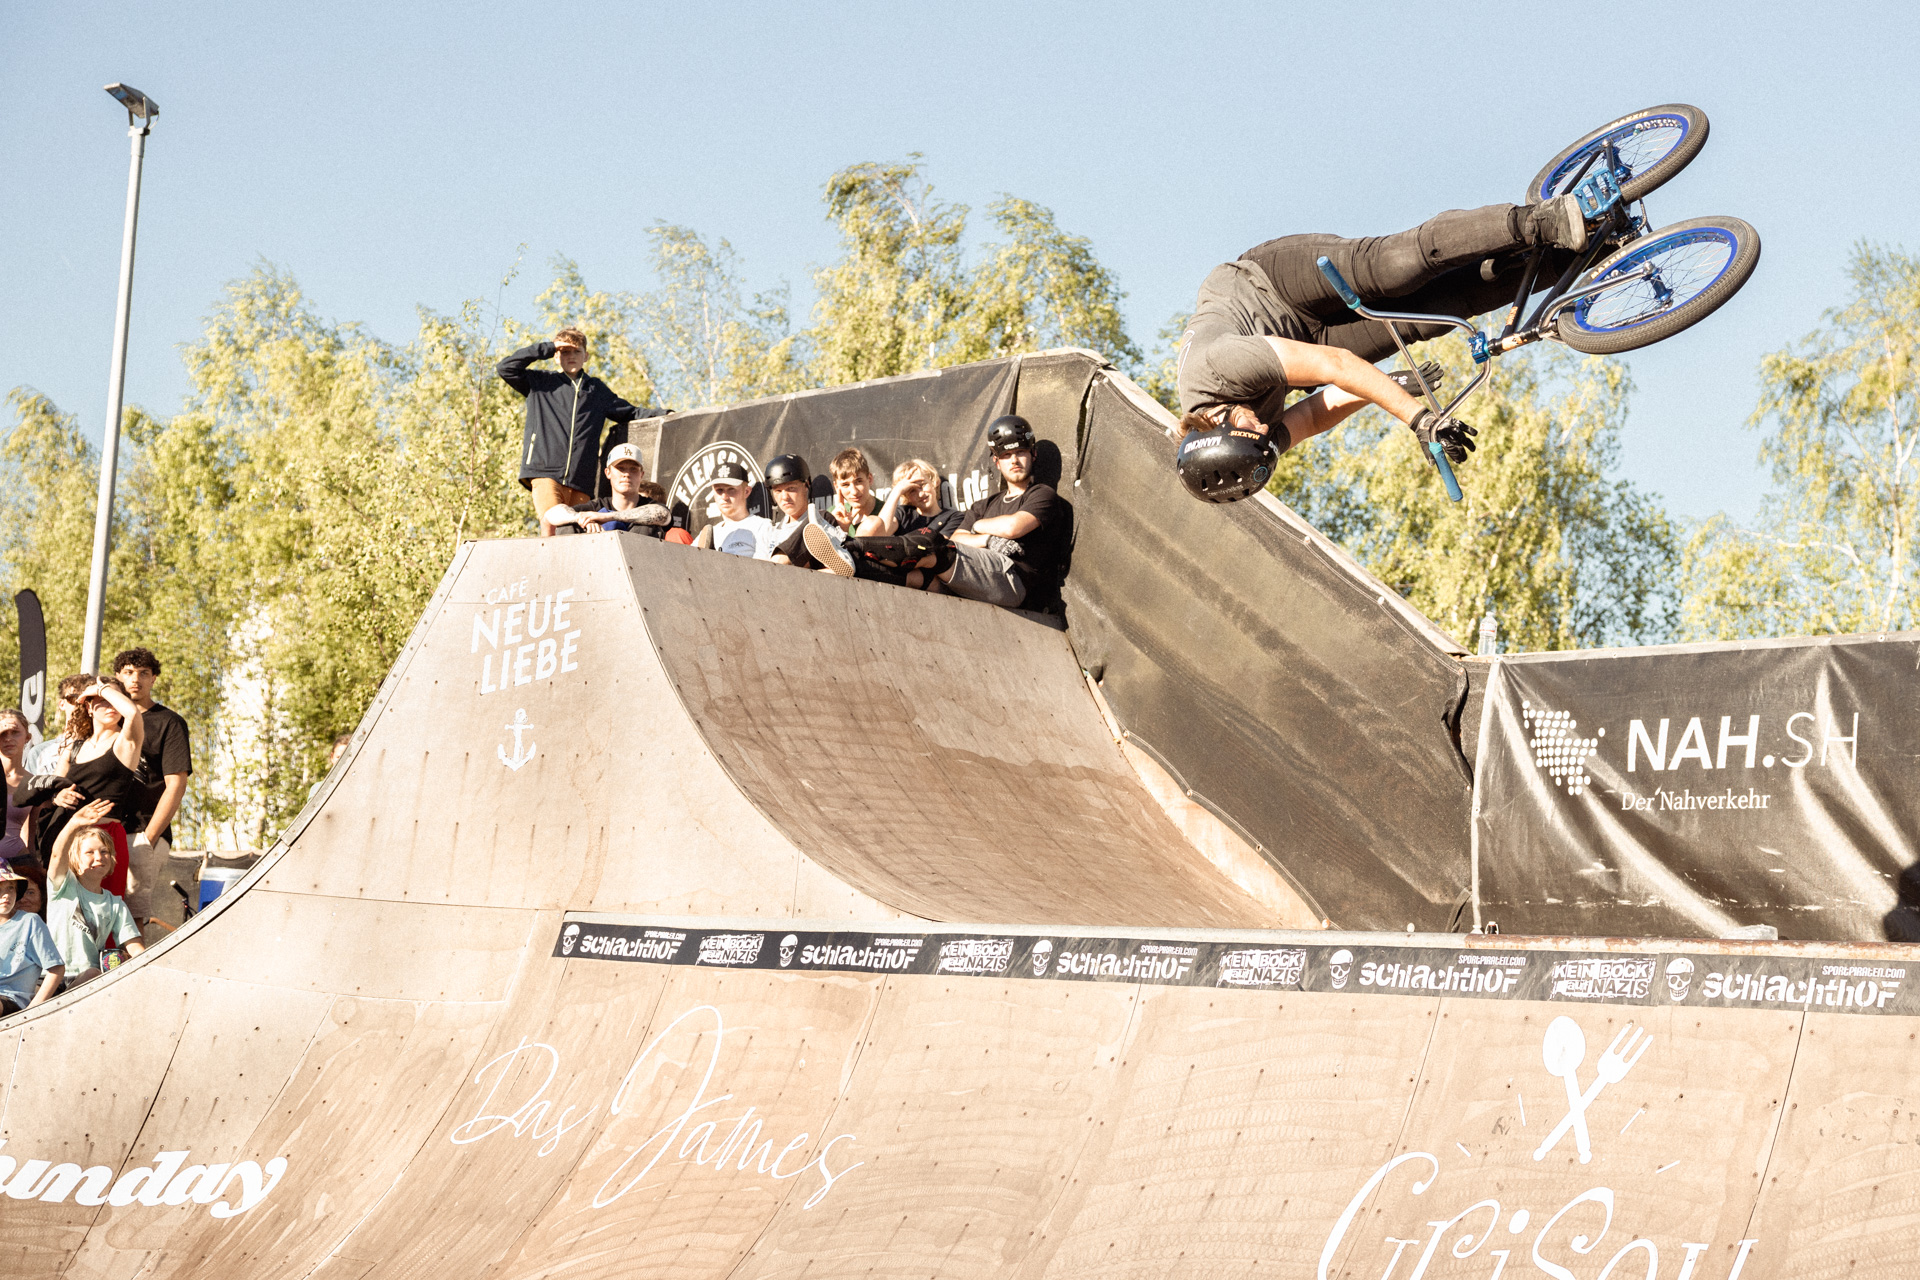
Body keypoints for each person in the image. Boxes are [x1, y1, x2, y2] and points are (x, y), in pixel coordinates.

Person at [1171, 196, 1595, 501]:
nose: (1265, 429)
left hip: (1271, 284)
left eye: (1254, 429)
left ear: (1215, 425)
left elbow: (1336, 365)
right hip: (1307, 338)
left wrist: (1419, 420)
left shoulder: (1218, 369)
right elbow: (1318, 412)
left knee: (1395, 269)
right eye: (1263, 438)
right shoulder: (1255, 446)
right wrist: (1388, 384)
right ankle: (1583, 255)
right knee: (1430, 317)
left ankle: (1540, 221)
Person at [813, 417, 1068, 610]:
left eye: (1020, 453)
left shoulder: (1041, 494)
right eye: (1007, 455)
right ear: (996, 461)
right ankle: (837, 561)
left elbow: (1014, 527)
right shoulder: (984, 505)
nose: (1014, 461)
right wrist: (988, 537)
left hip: (1014, 582)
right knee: (907, 569)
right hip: (975, 576)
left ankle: (848, 549)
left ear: (1033, 454)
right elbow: (957, 538)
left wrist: (977, 527)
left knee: (932, 542)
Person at [497, 329, 662, 536]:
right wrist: (549, 347)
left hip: (581, 480)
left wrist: (665, 413)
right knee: (553, 524)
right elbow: (505, 368)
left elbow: (630, 412)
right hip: (545, 473)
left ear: (586, 356)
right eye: (565, 352)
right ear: (556, 356)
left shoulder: (596, 391)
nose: (571, 357)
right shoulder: (540, 383)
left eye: (576, 352)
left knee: (580, 533)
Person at [49, 676, 145, 905]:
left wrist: (100, 688)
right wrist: (57, 796)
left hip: (107, 837)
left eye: (115, 699)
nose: (111, 705)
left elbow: (132, 714)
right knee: (67, 909)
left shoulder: (126, 742)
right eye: (101, 700)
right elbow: (51, 790)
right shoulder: (73, 747)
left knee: (105, 911)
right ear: (89, 706)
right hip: (71, 837)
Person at [113, 648, 191, 924]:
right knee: (101, 909)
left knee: (133, 914)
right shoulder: (109, 720)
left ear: (154, 678)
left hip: (142, 833)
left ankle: (132, 966)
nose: (136, 679)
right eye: (129, 672)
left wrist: (149, 837)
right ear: (117, 677)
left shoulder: (170, 722)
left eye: (144, 673)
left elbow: (176, 785)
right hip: (103, 831)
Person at [45, 802, 143, 986]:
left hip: (87, 979)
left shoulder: (115, 904)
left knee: (93, 973)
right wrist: (74, 823)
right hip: (50, 975)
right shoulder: (64, 886)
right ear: (75, 859)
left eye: (104, 852)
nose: (98, 857)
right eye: (89, 852)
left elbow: (135, 946)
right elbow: (57, 855)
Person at [548, 444, 669, 535]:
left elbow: (664, 515)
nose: (626, 474)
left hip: (638, 565)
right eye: (621, 468)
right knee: (568, 526)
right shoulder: (598, 506)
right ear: (608, 473)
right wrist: (582, 519)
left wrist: (607, 517)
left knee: (647, 527)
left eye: (633, 469)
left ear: (641, 474)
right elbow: (551, 514)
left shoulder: (650, 505)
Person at [0, 867, 63, 1013]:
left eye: (10, 888)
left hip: (13, 1000)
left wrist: (32, 1011)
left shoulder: (29, 921)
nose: (6, 895)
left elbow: (57, 969)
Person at [696, 463, 781, 559]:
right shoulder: (708, 534)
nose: (724, 497)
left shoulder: (762, 527)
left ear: (746, 492)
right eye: (719, 490)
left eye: (731, 489)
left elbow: (767, 569)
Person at [22, 674, 90, 775]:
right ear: (62, 704)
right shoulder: (39, 752)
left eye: (87, 698)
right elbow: (30, 790)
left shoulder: (104, 747)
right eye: (74, 698)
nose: (80, 703)